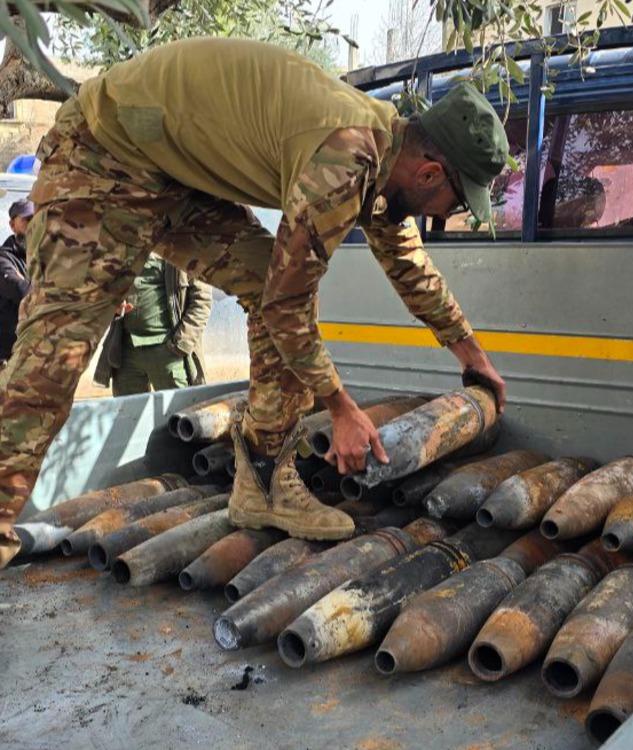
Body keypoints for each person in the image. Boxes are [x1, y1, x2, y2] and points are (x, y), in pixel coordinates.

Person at [0, 37, 509, 567]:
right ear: (429, 173)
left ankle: (263, 484)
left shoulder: (385, 154)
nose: (446, 213)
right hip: (103, 157)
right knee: (50, 364)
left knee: (268, 280)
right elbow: (288, 307)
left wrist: (474, 360)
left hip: (177, 177)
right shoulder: (344, 157)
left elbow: (410, 268)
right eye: (455, 201)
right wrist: (341, 409)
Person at [93, 253, 213, 395]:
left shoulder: (184, 247)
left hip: (168, 351)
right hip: (126, 352)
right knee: (129, 413)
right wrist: (113, 304)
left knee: (177, 413)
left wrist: (181, 344)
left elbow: (202, 301)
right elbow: (97, 289)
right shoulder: (123, 245)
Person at [0, 199, 34, 366]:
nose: (33, 227)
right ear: (12, 225)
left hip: (34, 357)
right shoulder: (4, 258)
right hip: (7, 359)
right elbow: (22, 292)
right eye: (27, 220)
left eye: (37, 220)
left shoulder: (46, 259)